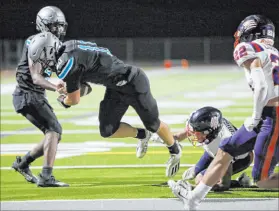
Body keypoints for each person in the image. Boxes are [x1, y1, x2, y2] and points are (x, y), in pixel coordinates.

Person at [26, 32, 182, 178]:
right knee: (107, 130)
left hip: (134, 83)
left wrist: (63, 100)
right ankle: (143, 135)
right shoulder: (69, 47)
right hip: (115, 87)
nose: (42, 62)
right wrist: (71, 83)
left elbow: (74, 99)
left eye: (42, 56)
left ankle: (175, 151)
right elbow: (86, 73)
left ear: (50, 50)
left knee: (153, 124)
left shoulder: (67, 63)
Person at [168, 14, 279, 210]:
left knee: (261, 180)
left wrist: (255, 115)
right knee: (227, 148)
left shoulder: (247, 48)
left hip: (273, 115)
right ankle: (193, 199)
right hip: (268, 114)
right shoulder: (272, 51)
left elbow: (261, 86)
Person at [12, 6, 69, 187]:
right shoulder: (35, 41)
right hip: (27, 94)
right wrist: (54, 87)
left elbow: (52, 69)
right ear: (44, 25)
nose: (59, 30)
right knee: (54, 130)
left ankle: (23, 164)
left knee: (53, 133)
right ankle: (46, 176)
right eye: (54, 26)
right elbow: (36, 77)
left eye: (60, 26)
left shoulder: (51, 42)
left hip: (33, 94)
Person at [176, 106, 253, 191]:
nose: (193, 134)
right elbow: (178, 136)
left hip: (240, 158)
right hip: (216, 151)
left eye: (196, 132)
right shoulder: (214, 126)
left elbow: (224, 185)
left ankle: (240, 182)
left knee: (200, 179)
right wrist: (165, 140)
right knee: (195, 172)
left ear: (208, 133)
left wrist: (194, 188)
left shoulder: (223, 142)